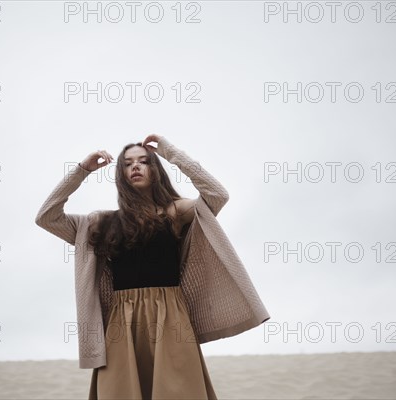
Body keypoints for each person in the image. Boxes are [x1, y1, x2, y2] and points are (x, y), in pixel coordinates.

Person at [35, 134, 271, 399]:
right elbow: (47, 217)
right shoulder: (101, 222)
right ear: (120, 174)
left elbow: (217, 195)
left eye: (144, 161)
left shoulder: (175, 212)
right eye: (127, 163)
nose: (135, 166)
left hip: (170, 316)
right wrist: (82, 171)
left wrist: (171, 153)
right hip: (121, 321)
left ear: (155, 170)